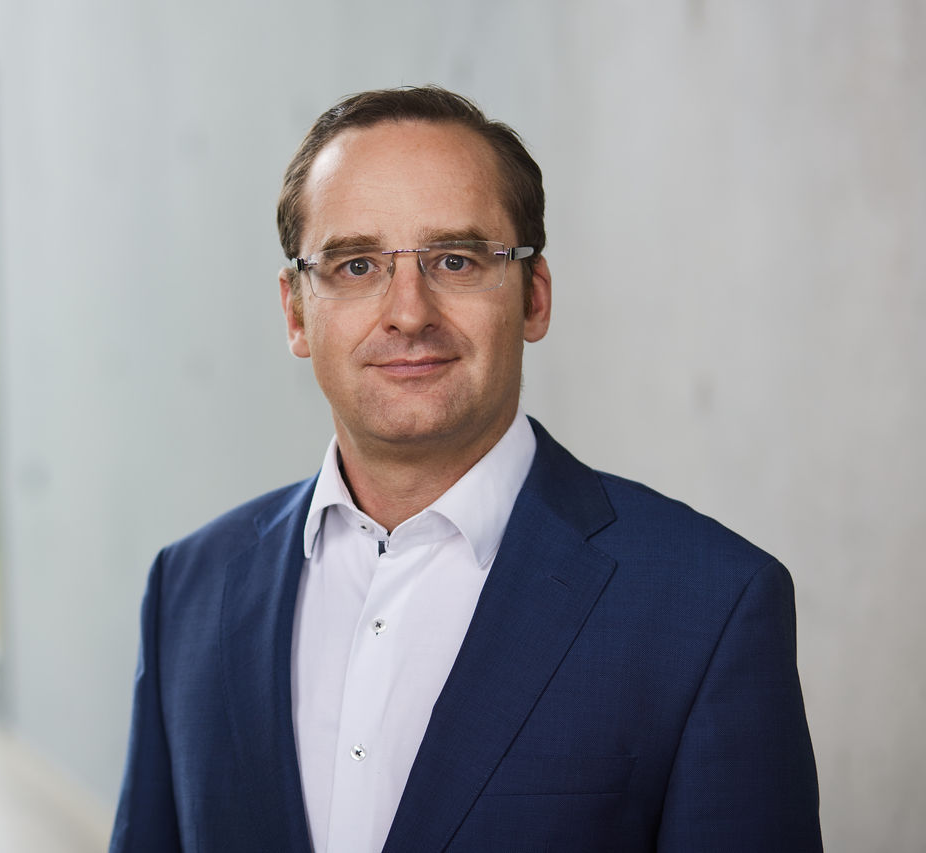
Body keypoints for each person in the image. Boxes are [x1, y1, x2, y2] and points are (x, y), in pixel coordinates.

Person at [110, 86, 822, 852]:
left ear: (534, 297)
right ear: (295, 313)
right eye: (356, 265)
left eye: (456, 259)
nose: (409, 312)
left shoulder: (710, 604)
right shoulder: (188, 590)